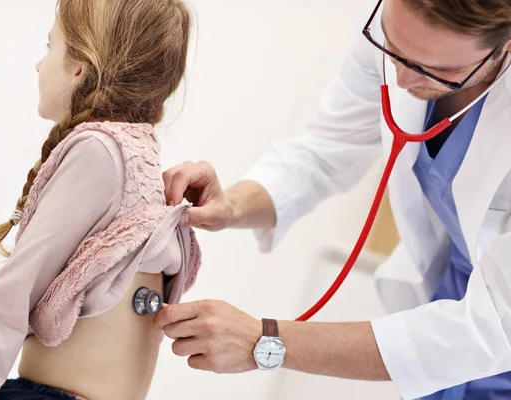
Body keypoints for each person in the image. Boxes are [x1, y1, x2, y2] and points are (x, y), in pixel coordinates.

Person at [154, 0, 511, 399]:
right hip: (442, 311)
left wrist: (265, 340)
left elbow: (491, 327)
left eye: (439, 70)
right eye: (393, 47)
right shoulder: (390, 25)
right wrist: (231, 206)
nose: (404, 79)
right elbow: (328, 148)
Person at [0, 0, 201, 399]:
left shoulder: (99, 151)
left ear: (79, 67)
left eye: (50, 47)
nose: (38, 64)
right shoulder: (138, 158)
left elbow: (8, 301)